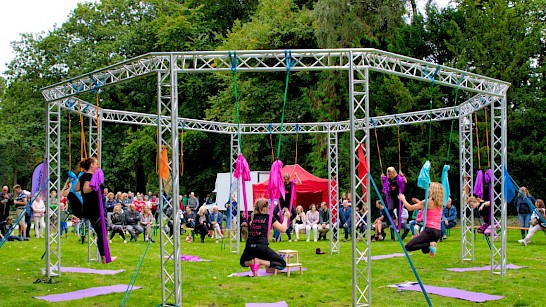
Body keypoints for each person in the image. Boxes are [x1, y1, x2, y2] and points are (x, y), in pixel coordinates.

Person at [71, 157, 115, 264]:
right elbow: (85, 190)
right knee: (102, 232)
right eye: (96, 164)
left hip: (92, 208)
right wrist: (94, 185)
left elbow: (77, 188)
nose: (97, 166)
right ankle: (104, 257)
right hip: (94, 209)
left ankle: (105, 256)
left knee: (101, 232)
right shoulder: (89, 176)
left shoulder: (85, 176)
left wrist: (81, 180)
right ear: (91, 165)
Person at [239, 198, 291, 277]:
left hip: (249, 246)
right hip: (261, 247)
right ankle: (260, 261)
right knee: (282, 264)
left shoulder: (251, 217)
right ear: (265, 208)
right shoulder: (268, 218)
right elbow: (283, 229)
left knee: (243, 262)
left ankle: (253, 265)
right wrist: (286, 217)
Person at [398, 182, 444, 257]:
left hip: (430, 230)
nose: (428, 190)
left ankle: (430, 244)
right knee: (425, 250)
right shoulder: (440, 203)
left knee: (408, 246)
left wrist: (403, 199)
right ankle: (431, 245)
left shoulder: (428, 202)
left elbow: (410, 208)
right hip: (438, 232)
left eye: (429, 188)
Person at [272, 172, 302, 241]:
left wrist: (296, 175)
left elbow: (300, 183)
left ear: (288, 179)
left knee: (294, 213)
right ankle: (281, 221)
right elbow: (275, 183)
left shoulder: (291, 183)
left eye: (286, 179)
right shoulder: (281, 184)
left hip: (288, 202)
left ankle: (287, 221)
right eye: (284, 179)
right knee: (274, 212)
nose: (285, 180)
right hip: (282, 201)